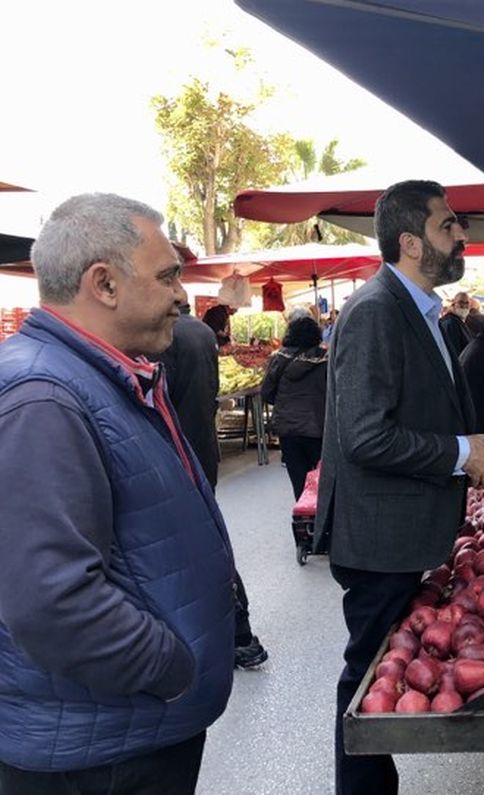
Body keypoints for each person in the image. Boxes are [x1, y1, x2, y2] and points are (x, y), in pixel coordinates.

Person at [0, 194, 235, 793]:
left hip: (125, 734)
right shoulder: (44, 398)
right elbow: (54, 603)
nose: (183, 296)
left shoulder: (98, 376)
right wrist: (173, 669)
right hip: (103, 753)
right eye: (167, 276)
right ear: (103, 284)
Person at [316, 180, 484, 795]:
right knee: (367, 677)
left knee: (381, 670)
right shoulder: (375, 311)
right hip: (379, 537)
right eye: (448, 225)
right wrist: (457, 452)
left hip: (406, 530)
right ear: (411, 242)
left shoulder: (424, 314)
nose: (461, 235)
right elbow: (364, 436)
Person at [152, 304, 268, 670]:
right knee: (208, 541)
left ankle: (235, 632)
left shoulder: (160, 338)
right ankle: (238, 632)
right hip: (200, 449)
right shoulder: (201, 333)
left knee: (193, 547)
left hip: (175, 454)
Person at [262, 314, 328, 500]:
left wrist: (285, 401)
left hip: (288, 430)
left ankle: (302, 524)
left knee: (299, 486)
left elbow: (267, 393)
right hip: (318, 429)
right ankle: (322, 524)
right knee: (320, 484)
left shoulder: (279, 359)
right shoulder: (325, 360)